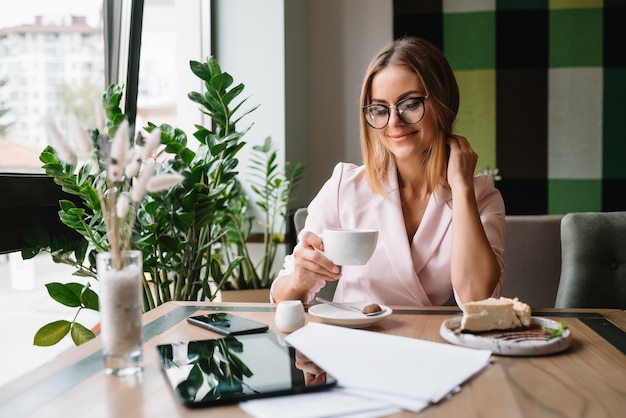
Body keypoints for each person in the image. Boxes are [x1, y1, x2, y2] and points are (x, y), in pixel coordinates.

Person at [271, 36, 505, 307]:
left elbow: (479, 300)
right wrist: (299, 279)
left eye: (410, 104)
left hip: (431, 344)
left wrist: (462, 187)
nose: (394, 122)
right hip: (354, 343)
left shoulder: (481, 196)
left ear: (444, 104)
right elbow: (282, 297)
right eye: (380, 109)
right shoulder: (344, 186)